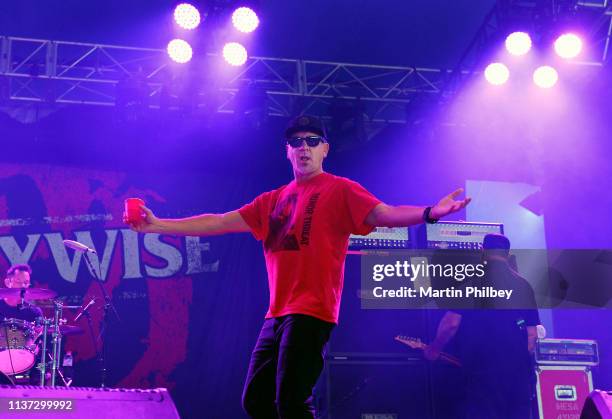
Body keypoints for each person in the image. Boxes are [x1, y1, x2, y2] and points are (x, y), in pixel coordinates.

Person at [124, 115, 471, 418]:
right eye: (296, 142)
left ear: (325, 149)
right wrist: (158, 225)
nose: (304, 147)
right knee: (256, 401)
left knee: (291, 401)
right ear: (287, 151)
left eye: (312, 141)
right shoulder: (272, 200)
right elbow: (218, 221)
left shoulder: (340, 190)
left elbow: (384, 214)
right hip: (276, 315)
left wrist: (430, 213)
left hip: (312, 311)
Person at [424, 234, 539, 419]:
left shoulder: (471, 281)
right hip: (518, 377)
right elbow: (532, 335)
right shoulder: (524, 285)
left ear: (482, 251)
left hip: (483, 374)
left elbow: (451, 324)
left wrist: (434, 349)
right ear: (507, 255)